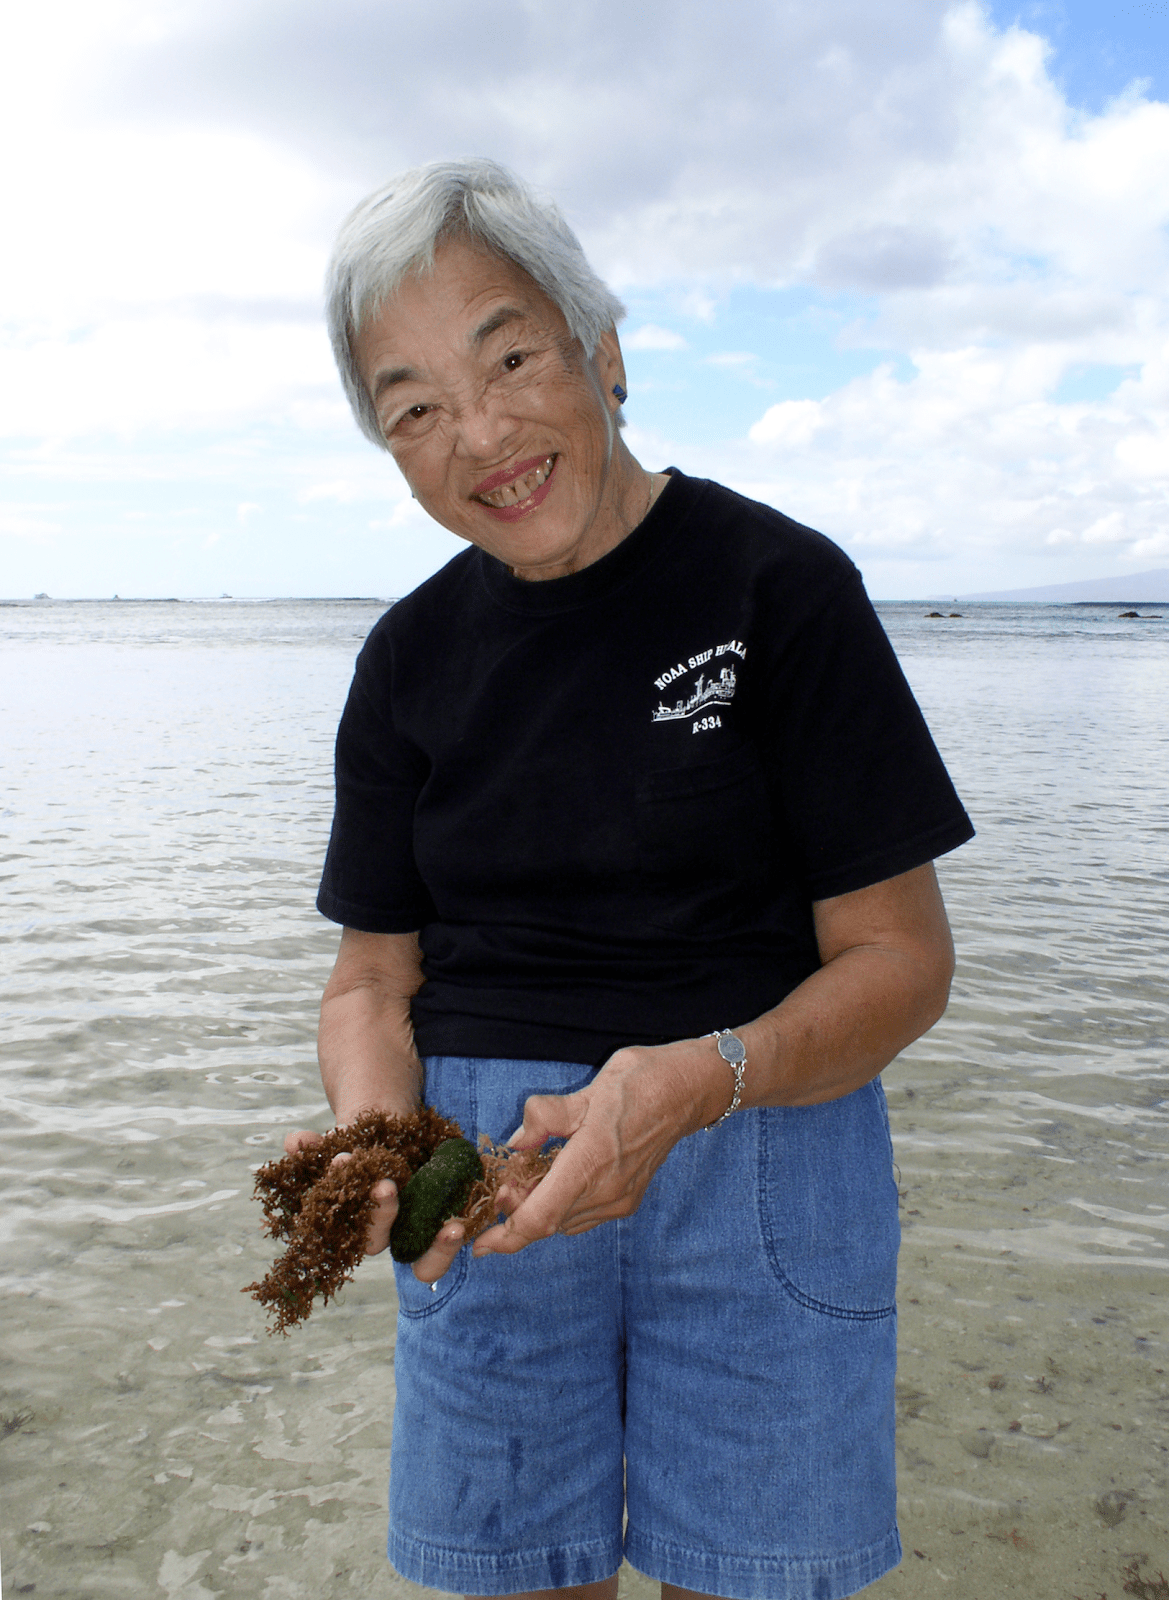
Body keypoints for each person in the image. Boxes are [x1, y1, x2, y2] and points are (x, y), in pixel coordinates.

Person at [291, 158, 974, 1600]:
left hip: (760, 1142)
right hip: (482, 1181)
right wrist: (377, 1144)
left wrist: (701, 1079)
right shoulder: (404, 662)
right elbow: (371, 983)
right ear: (391, 453)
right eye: (413, 408)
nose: (479, 431)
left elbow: (903, 956)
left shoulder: (779, 589)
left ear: (603, 350)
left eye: (512, 354)